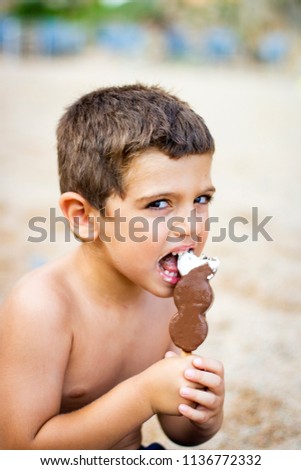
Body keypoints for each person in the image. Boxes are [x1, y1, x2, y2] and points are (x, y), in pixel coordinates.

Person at [0, 84, 224, 450]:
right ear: (85, 218)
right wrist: (143, 396)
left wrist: (202, 412)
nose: (192, 225)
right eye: (158, 204)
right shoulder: (43, 306)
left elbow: (178, 431)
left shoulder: (172, 299)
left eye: (201, 199)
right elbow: (19, 451)